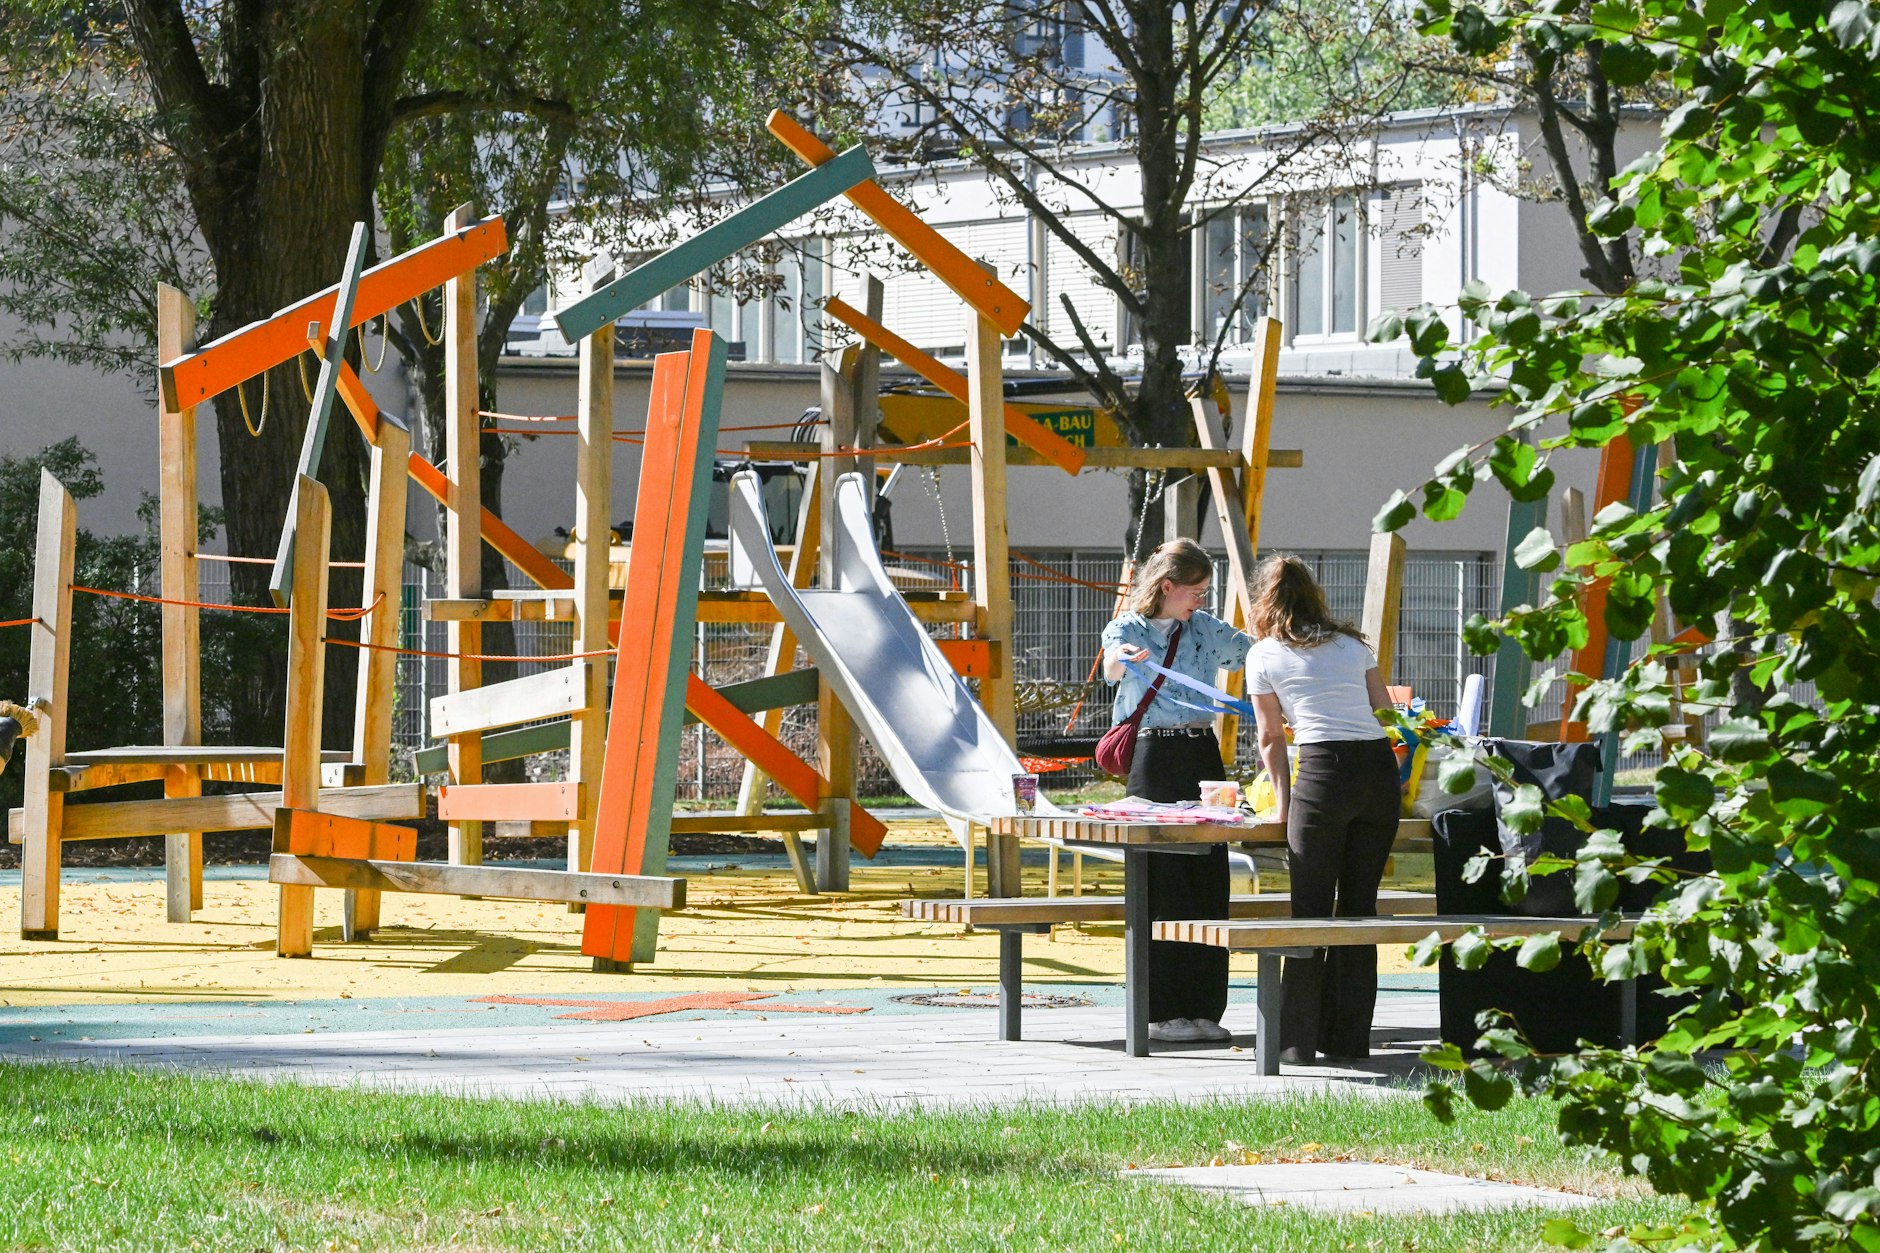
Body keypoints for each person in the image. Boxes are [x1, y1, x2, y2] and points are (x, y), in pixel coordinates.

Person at [1245, 555, 1399, 1065]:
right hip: (1376, 772)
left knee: (1308, 909)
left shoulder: (1264, 654)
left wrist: (1284, 806)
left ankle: (1295, 1045)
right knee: (1360, 908)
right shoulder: (1352, 645)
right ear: (1315, 595)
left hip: (1323, 772)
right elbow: (1385, 712)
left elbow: (1269, 738)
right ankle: (1349, 1037)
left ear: (1264, 600)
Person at [1100, 538, 1253, 1044]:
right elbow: (1112, 666)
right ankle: (1161, 1010)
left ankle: (1204, 1006)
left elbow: (1248, 652)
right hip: (1153, 753)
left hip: (1201, 751)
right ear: (1167, 587)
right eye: (1196, 591)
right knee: (1162, 879)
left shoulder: (1204, 628)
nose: (1202, 601)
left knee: (1208, 873)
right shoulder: (1129, 625)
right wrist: (1123, 657)